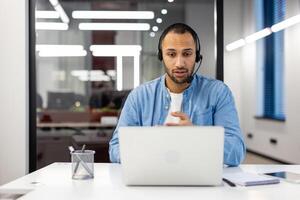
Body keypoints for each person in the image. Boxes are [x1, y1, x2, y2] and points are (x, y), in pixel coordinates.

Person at [109, 23, 246, 166]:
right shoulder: (139, 96)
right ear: (161, 56)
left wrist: (196, 136)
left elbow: (236, 152)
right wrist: (148, 146)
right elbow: (115, 148)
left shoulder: (218, 93)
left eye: (187, 54)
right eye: (171, 54)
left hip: (200, 182)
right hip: (152, 179)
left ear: (197, 56)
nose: (179, 63)